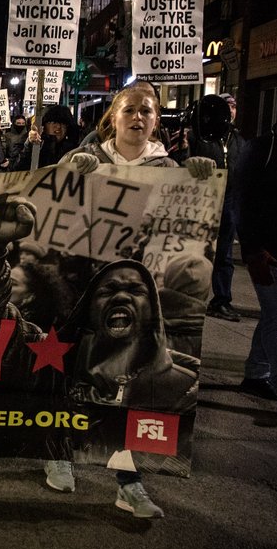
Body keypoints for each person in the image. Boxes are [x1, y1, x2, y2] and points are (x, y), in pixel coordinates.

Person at [42, 83, 215, 516]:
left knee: (132, 383)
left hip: (139, 290)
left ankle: (128, 479)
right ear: (112, 118)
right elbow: (50, 203)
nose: (138, 117)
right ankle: (60, 452)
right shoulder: (93, 159)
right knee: (75, 368)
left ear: (157, 120)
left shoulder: (169, 167)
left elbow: (196, 226)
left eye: (147, 111)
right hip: (85, 286)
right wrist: (67, 168)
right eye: (129, 110)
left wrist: (200, 180)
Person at [237, 113, 277, 413]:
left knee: (276, 316)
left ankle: (256, 373)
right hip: (270, 255)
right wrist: (252, 248)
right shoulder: (262, 148)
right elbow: (242, 200)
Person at [182, 94, 248, 322]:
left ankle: (221, 300)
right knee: (194, 253)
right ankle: (188, 298)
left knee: (224, 255)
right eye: (227, 106)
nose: (230, 111)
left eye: (233, 106)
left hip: (229, 200)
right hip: (202, 199)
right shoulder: (198, 136)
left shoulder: (237, 140)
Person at [16, 104, 80, 169]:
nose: (58, 127)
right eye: (53, 122)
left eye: (63, 123)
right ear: (44, 124)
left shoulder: (74, 149)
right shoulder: (34, 145)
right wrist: (29, 145)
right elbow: (17, 168)